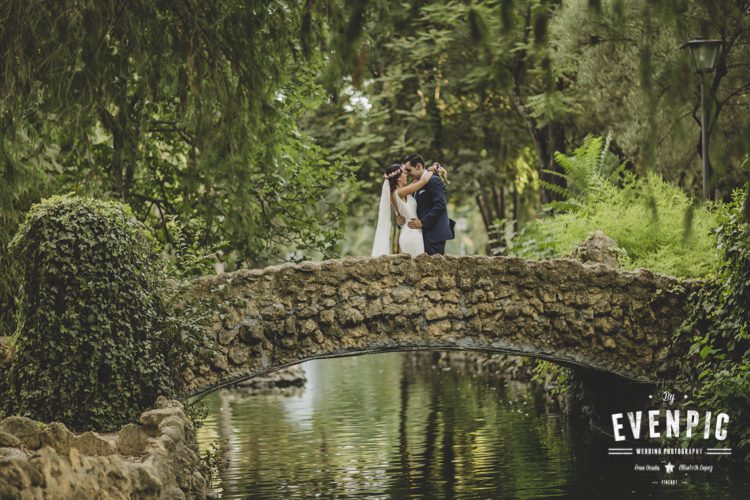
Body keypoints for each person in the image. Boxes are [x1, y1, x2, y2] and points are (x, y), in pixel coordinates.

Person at [371, 162, 439, 257]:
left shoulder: (399, 192)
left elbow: (416, 181)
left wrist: (425, 171)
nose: (406, 175)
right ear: (398, 177)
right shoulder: (400, 192)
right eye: (404, 173)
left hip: (413, 233)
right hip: (412, 235)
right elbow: (423, 181)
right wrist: (432, 169)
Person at [401, 153, 455, 255]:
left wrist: (423, 222)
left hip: (433, 235)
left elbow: (440, 205)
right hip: (422, 235)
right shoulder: (416, 184)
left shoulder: (433, 180)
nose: (407, 174)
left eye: (409, 170)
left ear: (418, 166)